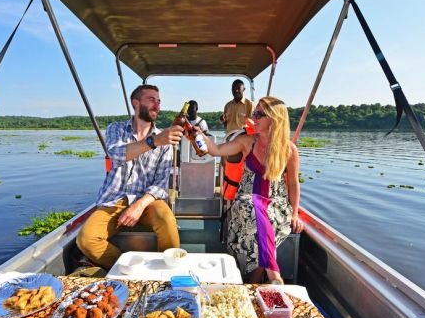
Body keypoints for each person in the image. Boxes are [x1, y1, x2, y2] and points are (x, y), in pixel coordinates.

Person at [76, 84, 183, 269]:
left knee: (167, 220)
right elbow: (116, 155)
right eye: (151, 100)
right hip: (114, 200)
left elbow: (160, 184)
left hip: (147, 202)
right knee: (86, 240)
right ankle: (129, 268)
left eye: (158, 101)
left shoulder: (164, 140)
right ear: (136, 103)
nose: (157, 106)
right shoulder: (116, 129)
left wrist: (138, 206)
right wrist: (154, 141)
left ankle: (168, 271)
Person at [200, 96, 303, 284]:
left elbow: (293, 184)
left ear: (274, 118)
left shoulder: (289, 150)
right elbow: (215, 150)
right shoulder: (247, 142)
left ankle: (254, 280)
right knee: (250, 206)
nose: (253, 118)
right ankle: (271, 272)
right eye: (254, 113)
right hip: (247, 200)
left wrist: (295, 213)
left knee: (259, 215)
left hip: (275, 203)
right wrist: (199, 134)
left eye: (258, 114)